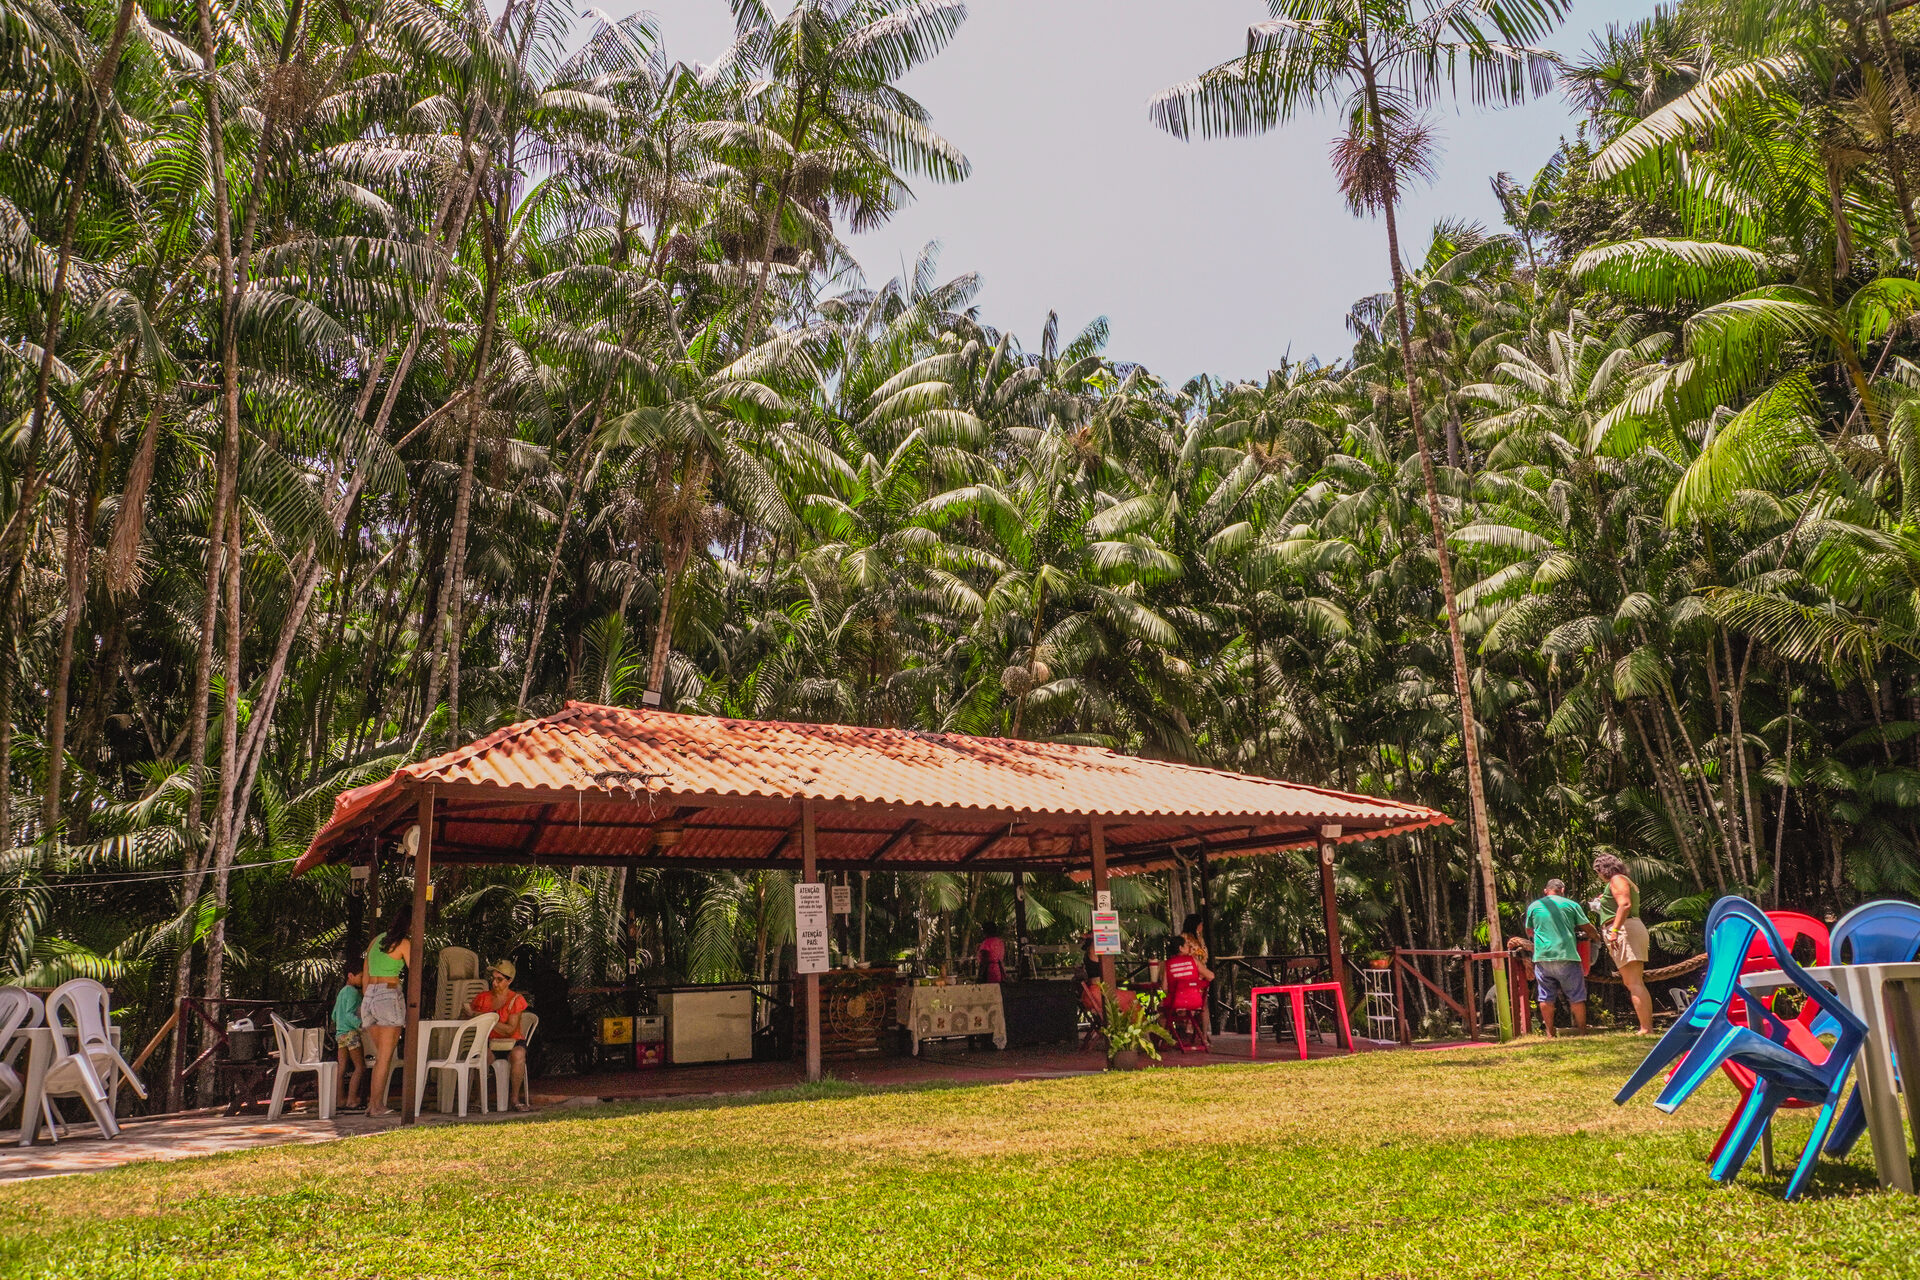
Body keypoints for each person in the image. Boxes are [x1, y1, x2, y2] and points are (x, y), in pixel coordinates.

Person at [1524, 879, 1601, 1037]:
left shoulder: (1534, 906)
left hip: (1543, 957)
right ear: (1563, 890)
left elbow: (1529, 931)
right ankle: (1582, 1031)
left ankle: (1550, 1033)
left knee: (1546, 996)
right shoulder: (1571, 905)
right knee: (1576, 996)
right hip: (1567, 956)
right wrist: (1596, 938)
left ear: (1546, 891)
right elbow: (1587, 928)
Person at [1595, 852, 1655, 1035]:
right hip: (1628, 928)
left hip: (1624, 930)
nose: (1598, 876)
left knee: (1634, 983)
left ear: (1603, 869)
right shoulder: (1622, 880)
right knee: (1633, 982)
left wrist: (1614, 930)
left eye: (1598, 872)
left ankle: (1646, 1028)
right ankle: (1646, 1027)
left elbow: (1625, 904)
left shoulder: (1617, 879)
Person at [361, 902, 413, 1117]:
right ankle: (375, 1106)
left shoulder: (376, 940)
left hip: (369, 997)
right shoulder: (404, 943)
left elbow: (365, 974)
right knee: (385, 1057)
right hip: (388, 995)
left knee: (380, 1056)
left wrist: (367, 998)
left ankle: (374, 1104)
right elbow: (415, 971)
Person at [465, 959, 532, 1111]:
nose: (494, 983)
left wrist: (487, 1018)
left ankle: (514, 1099)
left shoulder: (516, 999)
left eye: (499, 980)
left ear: (509, 981)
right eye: (493, 979)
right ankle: (479, 1099)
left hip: (512, 1042)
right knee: (480, 1056)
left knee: (519, 1054)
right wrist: (467, 1013)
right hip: (490, 1041)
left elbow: (510, 1030)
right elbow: (467, 1016)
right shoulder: (483, 997)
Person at [333, 963, 367, 1112]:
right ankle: (352, 1100)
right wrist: (361, 1025)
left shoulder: (341, 992)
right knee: (360, 1067)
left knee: (342, 1068)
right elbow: (349, 1014)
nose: (363, 979)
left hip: (340, 1034)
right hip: (351, 1033)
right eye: (361, 976)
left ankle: (340, 1100)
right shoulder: (353, 992)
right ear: (350, 976)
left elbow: (334, 1015)